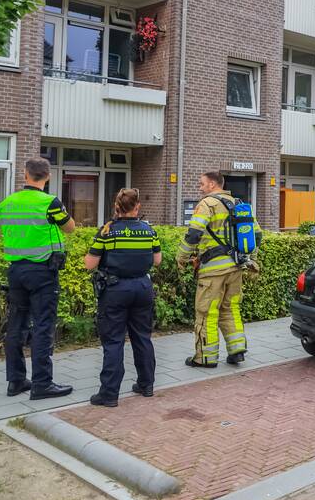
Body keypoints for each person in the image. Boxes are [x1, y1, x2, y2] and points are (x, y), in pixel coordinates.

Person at [0, 157, 75, 399]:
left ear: (25, 175)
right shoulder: (49, 202)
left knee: (16, 325)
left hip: (16, 271)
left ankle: (16, 381)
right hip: (42, 272)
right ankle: (42, 384)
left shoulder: (6, 204)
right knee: (43, 326)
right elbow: (70, 227)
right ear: (48, 176)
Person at [84, 189, 160, 407]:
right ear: (137, 207)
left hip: (115, 290)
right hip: (142, 288)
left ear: (117, 208)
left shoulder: (107, 232)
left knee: (114, 341)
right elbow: (157, 260)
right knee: (142, 337)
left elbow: (89, 264)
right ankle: (146, 385)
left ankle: (109, 394)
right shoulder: (149, 231)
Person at [177, 171, 257, 367]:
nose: (200, 187)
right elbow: (257, 235)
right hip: (236, 267)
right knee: (230, 309)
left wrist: (182, 256)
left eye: (202, 183)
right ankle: (237, 350)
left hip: (213, 271)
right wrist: (251, 260)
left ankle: (205, 357)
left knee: (206, 312)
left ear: (212, 184)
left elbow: (194, 234)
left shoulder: (206, 204)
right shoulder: (239, 204)